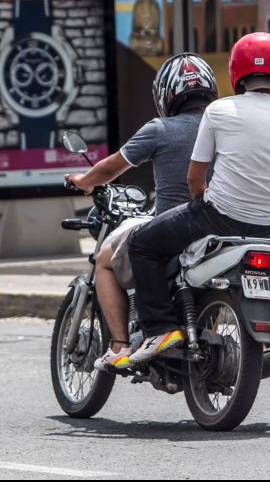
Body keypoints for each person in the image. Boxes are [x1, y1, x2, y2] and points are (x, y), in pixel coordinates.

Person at [126, 33, 270, 365]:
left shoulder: (219, 110)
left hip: (216, 216)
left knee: (141, 244)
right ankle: (264, 344)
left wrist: (198, 205)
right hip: (267, 229)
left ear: (236, 73)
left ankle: (159, 328)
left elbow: (195, 179)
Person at [63, 53, 218, 371]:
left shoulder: (161, 129)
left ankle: (119, 345)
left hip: (172, 228)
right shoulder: (227, 126)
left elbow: (110, 167)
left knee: (105, 260)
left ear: (166, 93)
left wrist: (85, 181)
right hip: (221, 226)